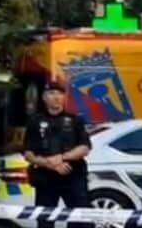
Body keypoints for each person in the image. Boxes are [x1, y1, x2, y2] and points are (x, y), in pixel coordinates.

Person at [22, 82, 91, 228]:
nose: (56, 97)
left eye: (60, 93)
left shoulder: (75, 120)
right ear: (44, 97)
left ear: (64, 97)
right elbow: (28, 153)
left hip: (72, 176)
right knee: (44, 220)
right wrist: (49, 164)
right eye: (52, 93)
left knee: (80, 219)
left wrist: (61, 158)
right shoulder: (35, 121)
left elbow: (84, 148)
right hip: (46, 178)